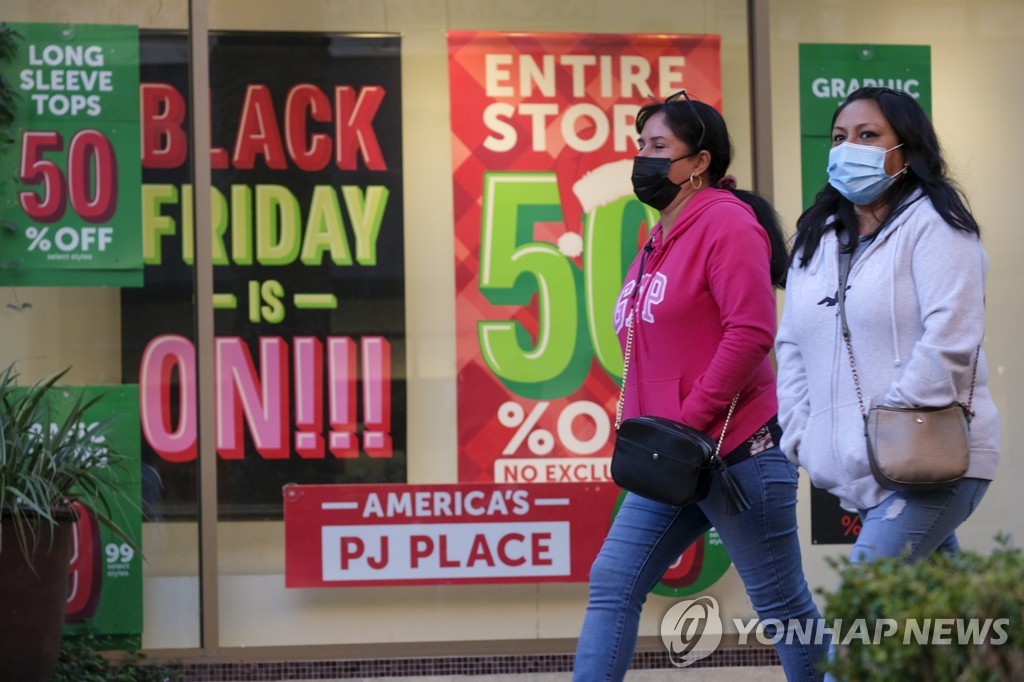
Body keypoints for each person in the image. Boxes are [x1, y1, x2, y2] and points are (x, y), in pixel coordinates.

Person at [573, 91, 829, 682]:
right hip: (674, 459)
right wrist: (667, 433)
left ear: (700, 162)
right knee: (613, 582)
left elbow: (751, 330)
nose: (644, 158)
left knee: (783, 607)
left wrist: (691, 418)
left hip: (737, 453)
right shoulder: (658, 239)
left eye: (659, 147)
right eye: (641, 146)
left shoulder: (726, 224)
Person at [775, 86, 998, 566]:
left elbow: (952, 336)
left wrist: (885, 423)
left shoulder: (937, 225)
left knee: (863, 619)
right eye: (838, 137)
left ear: (906, 149)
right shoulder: (817, 240)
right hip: (859, 470)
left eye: (867, 134)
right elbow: (791, 343)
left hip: (929, 459)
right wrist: (801, 433)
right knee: (937, 624)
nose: (847, 148)